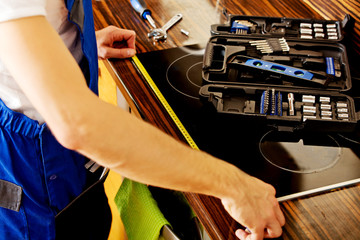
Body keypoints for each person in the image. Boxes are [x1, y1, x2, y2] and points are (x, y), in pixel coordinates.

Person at [0, 1, 285, 240]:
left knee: (90, 223)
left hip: (69, 168)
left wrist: (59, 47)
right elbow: (78, 124)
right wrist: (235, 186)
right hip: (29, 183)